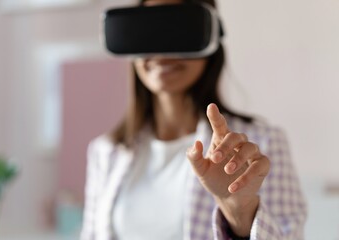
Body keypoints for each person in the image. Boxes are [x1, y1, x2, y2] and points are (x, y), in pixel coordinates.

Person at [80, 0, 307, 239]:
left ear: (211, 43)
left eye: (178, 30)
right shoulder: (105, 152)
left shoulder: (261, 145)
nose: (162, 52)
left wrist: (239, 211)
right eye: (148, 33)